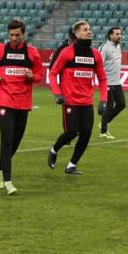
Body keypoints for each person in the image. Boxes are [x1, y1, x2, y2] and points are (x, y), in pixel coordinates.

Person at [0, 19, 43, 195]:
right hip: (4, 100)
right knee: (6, 139)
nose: (14, 38)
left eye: (17, 35)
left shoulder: (32, 53)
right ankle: (8, 180)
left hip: (23, 102)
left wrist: (32, 75)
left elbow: (40, 74)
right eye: (11, 35)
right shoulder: (0, 50)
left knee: (16, 141)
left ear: (23, 34)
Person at [47, 20, 107, 175]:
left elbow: (102, 78)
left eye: (90, 29)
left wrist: (103, 100)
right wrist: (57, 93)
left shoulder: (96, 54)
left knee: (86, 133)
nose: (89, 31)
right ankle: (54, 150)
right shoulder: (67, 52)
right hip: (70, 101)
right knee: (71, 132)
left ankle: (71, 165)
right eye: (85, 29)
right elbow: (53, 73)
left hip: (86, 102)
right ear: (76, 34)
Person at [98, 26, 125, 139]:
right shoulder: (104, 47)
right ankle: (103, 132)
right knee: (109, 107)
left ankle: (104, 122)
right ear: (110, 35)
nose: (119, 36)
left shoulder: (118, 46)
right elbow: (98, 63)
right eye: (117, 34)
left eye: (120, 34)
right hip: (107, 82)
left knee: (121, 104)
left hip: (117, 82)